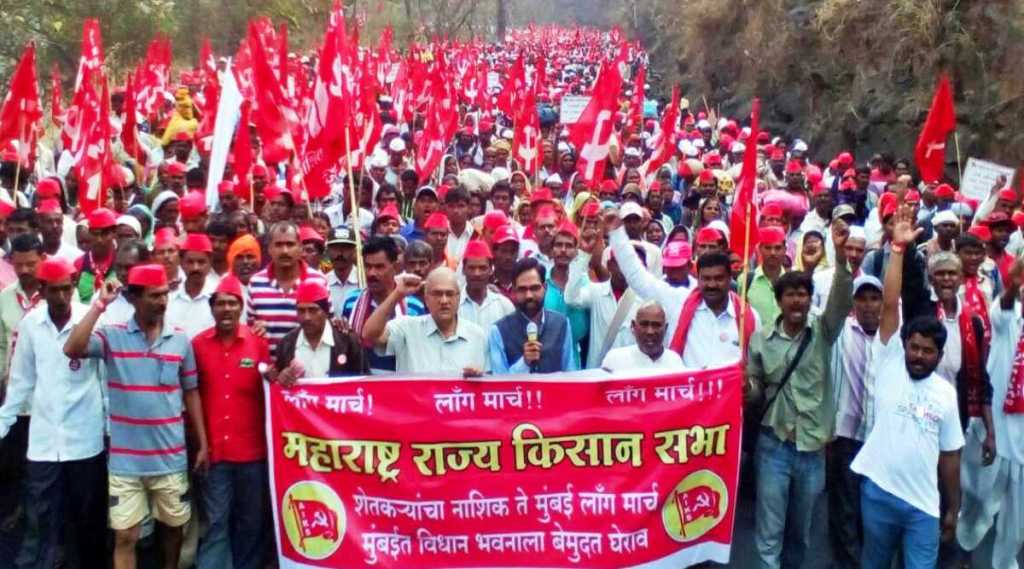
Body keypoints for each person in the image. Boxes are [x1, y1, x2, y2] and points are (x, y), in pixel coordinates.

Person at [63, 264, 208, 569]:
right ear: (133, 299)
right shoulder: (111, 336)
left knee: (172, 531)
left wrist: (203, 444)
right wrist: (99, 305)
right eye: (154, 296)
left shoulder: (180, 340)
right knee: (125, 537)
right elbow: (72, 348)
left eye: (165, 294)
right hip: (125, 463)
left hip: (170, 458)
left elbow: (191, 392)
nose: (162, 301)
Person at [851, 205, 963, 569]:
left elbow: (950, 458)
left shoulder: (946, 395)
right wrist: (897, 251)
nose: (917, 355)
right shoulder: (890, 362)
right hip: (878, 496)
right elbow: (890, 304)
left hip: (924, 509)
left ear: (938, 355)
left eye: (927, 351)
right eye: (913, 347)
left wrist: (954, 507)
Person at [745, 219, 854, 569]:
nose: (797, 300)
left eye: (803, 294)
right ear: (779, 300)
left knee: (800, 534)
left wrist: (839, 256)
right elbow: (756, 387)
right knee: (769, 534)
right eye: (790, 294)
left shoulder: (823, 330)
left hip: (811, 451)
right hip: (773, 447)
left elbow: (841, 297)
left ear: (809, 300)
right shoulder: (760, 338)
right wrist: (748, 388)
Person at [0, 257, 105, 569]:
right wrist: (3, 424)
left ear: (74, 287)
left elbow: (104, 379)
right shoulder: (31, 324)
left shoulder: (91, 318)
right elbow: (21, 382)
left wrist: (110, 427)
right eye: (54, 291)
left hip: (85, 439)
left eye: (66, 290)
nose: (61, 298)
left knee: (87, 522)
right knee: (43, 520)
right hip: (45, 443)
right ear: (42, 290)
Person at [191, 275, 272, 569]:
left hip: (252, 453)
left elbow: (270, 391)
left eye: (232, 303)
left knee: (250, 523)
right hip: (214, 452)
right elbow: (192, 395)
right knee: (215, 522)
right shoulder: (197, 345)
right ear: (212, 309)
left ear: (241, 308)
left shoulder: (258, 343)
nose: (226, 309)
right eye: (220, 304)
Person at [958, 259, 1024, 568]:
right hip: (992, 433)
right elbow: (1008, 298)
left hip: (1021, 446)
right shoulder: (1007, 316)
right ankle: (962, 541)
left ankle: (1004, 563)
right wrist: (1015, 282)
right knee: (978, 498)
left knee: (1016, 525)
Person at [826, 274, 884, 569]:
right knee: (845, 509)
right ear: (853, 302)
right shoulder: (841, 332)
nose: (868, 305)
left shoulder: (893, 339)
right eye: (862, 298)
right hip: (846, 437)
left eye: (875, 298)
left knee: (872, 510)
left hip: (880, 439)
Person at [362, 267, 486, 375]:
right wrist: (397, 294)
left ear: (458, 298)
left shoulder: (477, 335)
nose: (444, 300)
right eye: (437, 294)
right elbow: (369, 334)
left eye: (449, 294)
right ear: (426, 299)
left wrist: (477, 379)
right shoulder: (407, 328)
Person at [341, 236, 426, 373]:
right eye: (368, 266)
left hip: (399, 383)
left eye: (379, 267)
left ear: (395, 266)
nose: (372, 273)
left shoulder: (414, 306)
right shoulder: (352, 301)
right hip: (361, 383)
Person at [247, 222, 329, 355]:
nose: (285, 251)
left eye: (290, 244)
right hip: (269, 370)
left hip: (307, 367)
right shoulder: (256, 282)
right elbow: (250, 329)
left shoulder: (318, 281)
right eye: (279, 245)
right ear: (269, 249)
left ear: (300, 248)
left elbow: (327, 325)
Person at [488, 258, 577, 374]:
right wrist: (524, 363)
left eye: (534, 288)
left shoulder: (562, 324)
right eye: (522, 289)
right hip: (517, 392)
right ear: (514, 291)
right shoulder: (498, 330)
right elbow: (498, 383)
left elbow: (570, 373)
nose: (529, 295)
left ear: (545, 288)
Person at [275, 280, 367, 380]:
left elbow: (364, 381)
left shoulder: (348, 341)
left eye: (313, 310)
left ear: (326, 312)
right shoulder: (286, 344)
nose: (307, 317)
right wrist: (281, 378)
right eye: (301, 311)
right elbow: (278, 385)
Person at [601, 301, 685, 372]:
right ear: (633, 327)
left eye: (656, 325)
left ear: (665, 328)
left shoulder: (675, 361)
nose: (650, 332)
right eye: (644, 324)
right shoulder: (615, 360)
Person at [165, 234, 217, 339]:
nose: (195, 268)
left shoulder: (219, 294)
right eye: (190, 262)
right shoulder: (169, 296)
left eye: (201, 262)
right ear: (181, 262)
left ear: (210, 262)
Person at [458, 240, 515, 334]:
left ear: (491, 270)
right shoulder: (454, 304)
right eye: (471, 268)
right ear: (463, 270)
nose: (477, 273)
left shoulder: (504, 305)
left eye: (482, 268)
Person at [74, 207, 118, 303]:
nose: (99, 239)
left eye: (105, 234)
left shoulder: (121, 261)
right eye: (95, 234)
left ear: (114, 233)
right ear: (89, 233)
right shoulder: (78, 264)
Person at [325, 226, 360, 319]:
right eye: (335, 248)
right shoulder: (323, 283)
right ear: (328, 251)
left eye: (345, 248)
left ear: (354, 251)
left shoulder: (364, 281)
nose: (340, 254)